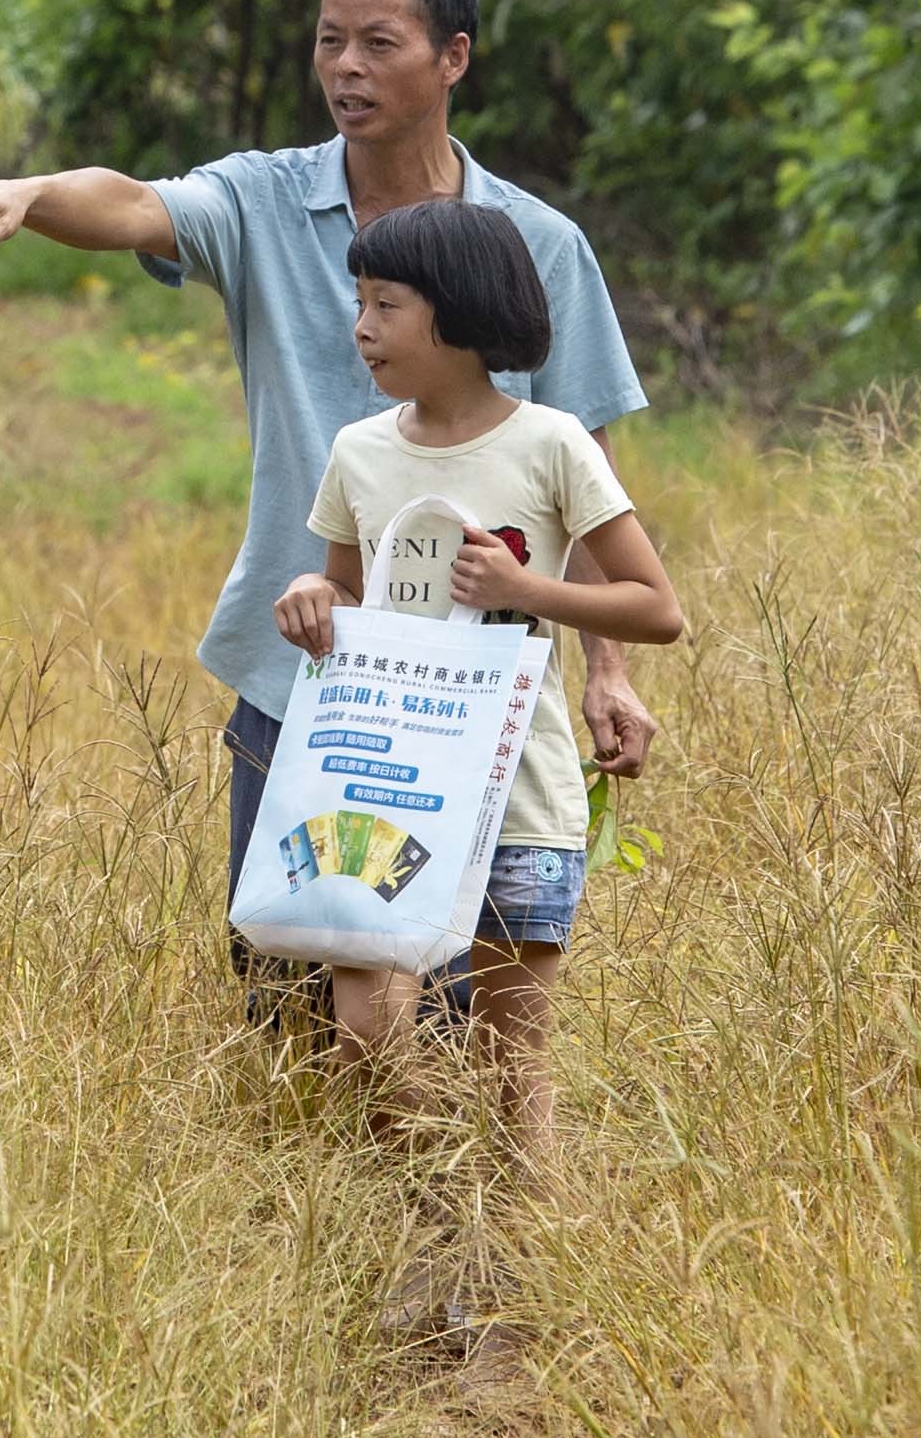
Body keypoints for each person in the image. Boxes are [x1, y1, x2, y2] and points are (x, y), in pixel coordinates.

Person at [0, 0, 658, 1008]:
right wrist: (28, 189)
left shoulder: (534, 244)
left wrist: (607, 668)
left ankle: (455, 1183)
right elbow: (131, 203)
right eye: (327, 40)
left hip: (472, 688)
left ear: (452, 56)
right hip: (303, 670)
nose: (345, 66)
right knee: (284, 994)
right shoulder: (263, 200)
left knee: (463, 1019)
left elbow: (584, 466)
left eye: (376, 42)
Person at [269, 198, 685, 1165]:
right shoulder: (360, 452)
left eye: (385, 305)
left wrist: (526, 587)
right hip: (387, 787)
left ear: (458, 312)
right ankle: (418, 1245)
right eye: (359, 302)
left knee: (510, 1076)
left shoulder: (551, 443)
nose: (361, 328)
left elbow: (657, 606)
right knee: (367, 1045)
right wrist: (306, 595)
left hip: (521, 792)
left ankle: (511, 1293)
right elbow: (341, 584)